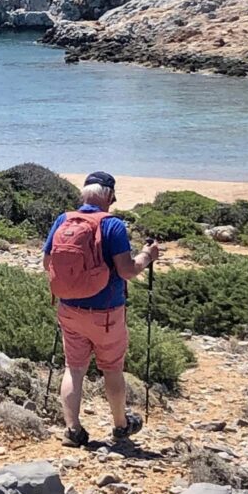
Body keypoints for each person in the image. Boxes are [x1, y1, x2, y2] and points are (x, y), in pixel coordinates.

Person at [42, 171, 159, 447]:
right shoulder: (113, 226)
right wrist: (148, 256)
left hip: (69, 310)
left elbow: (47, 262)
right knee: (112, 369)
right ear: (108, 195)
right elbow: (127, 271)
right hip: (106, 313)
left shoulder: (63, 220)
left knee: (74, 368)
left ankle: (73, 430)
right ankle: (120, 426)